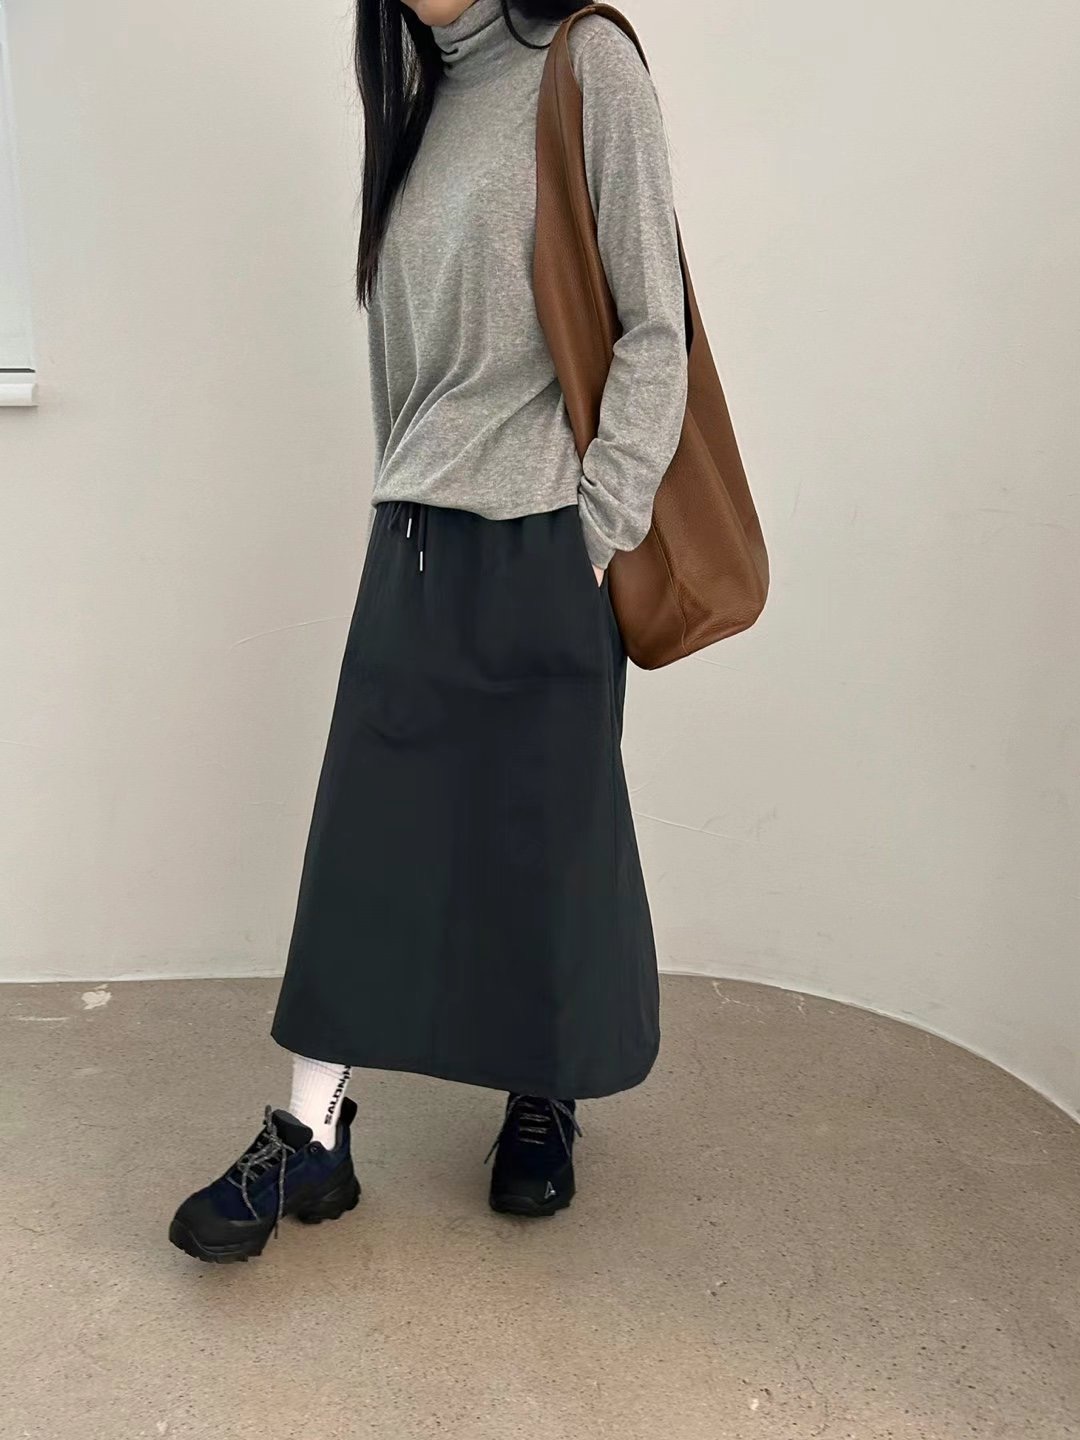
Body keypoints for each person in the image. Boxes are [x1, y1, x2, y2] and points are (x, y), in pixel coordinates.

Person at [169, 0, 688, 1263]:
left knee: (542, 839)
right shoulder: (421, 105)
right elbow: (407, 363)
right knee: (368, 843)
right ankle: (312, 1135)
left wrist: (592, 532)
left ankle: (541, 1094)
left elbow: (654, 325)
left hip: (545, 543)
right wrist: (401, 490)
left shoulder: (586, 63)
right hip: (412, 535)